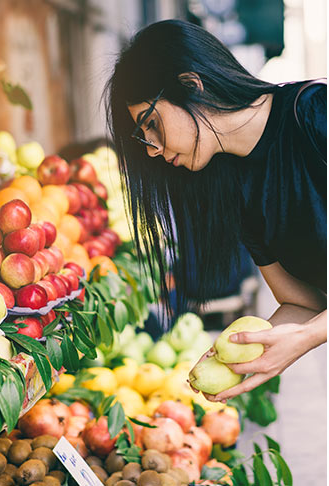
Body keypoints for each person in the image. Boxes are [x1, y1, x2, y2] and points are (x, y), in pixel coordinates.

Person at [103, 19, 327, 401]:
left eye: (152, 124)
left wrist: (308, 337)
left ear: (192, 85)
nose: (153, 149)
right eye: (144, 139)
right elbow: (302, 301)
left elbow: (311, 323)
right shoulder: (236, 186)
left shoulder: (313, 113)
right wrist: (245, 355)